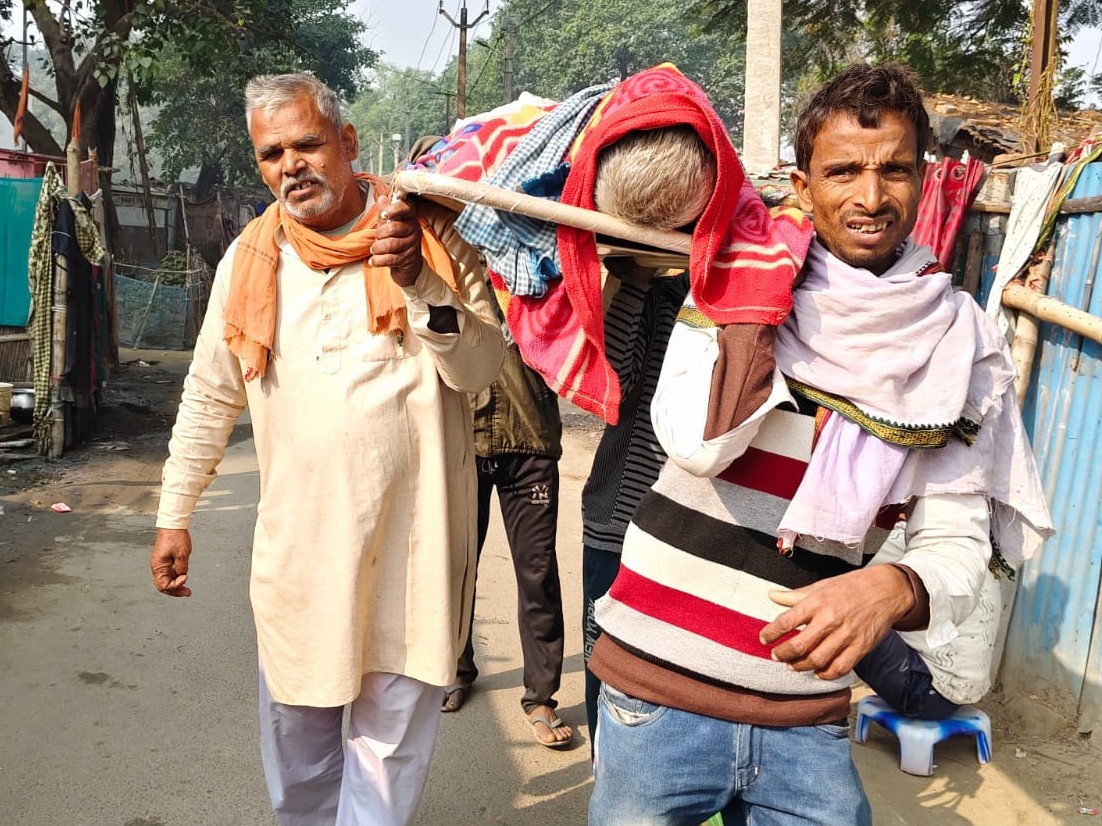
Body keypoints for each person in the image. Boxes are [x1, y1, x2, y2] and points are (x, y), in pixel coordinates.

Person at [587, 63, 1052, 825]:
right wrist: (756, 304)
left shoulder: (955, 342)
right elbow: (696, 446)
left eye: (893, 169)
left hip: (806, 711)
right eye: (843, 172)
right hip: (659, 693)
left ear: (923, 180)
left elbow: (958, 542)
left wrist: (891, 587)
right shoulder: (735, 279)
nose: (871, 197)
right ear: (803, 187)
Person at [149, 73, 505, 826]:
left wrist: (415, 281)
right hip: (301, 554)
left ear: (347, 141)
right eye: (271, 153)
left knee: (387, 753)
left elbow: (480, 370)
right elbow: (211, 393)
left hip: (413, 549)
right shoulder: (249, 261)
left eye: (307, 143)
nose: (291, 165)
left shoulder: (429, 238)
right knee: (299, 751)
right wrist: (174, 513)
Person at [580, 125, 712, 751]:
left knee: (677, 673)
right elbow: (614, 382)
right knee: (606, 659)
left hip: (699, 527)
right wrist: (631, 279)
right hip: (622, 516)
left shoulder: (737, 306)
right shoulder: (653, 296)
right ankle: (605, 773)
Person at [440, 302, 575, 749]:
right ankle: (456, 668)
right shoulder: (448, 270)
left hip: (531, 439)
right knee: (457, 565)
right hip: (463, 439)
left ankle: (541, 697)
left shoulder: (536, 270)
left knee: (537, 573)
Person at [854, 518, 1002, 720]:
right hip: (959, 692)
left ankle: (816, 699)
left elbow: (848, 559)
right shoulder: (976, 553)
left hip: (925, 691)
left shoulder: (911, 541)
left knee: (847, 610)